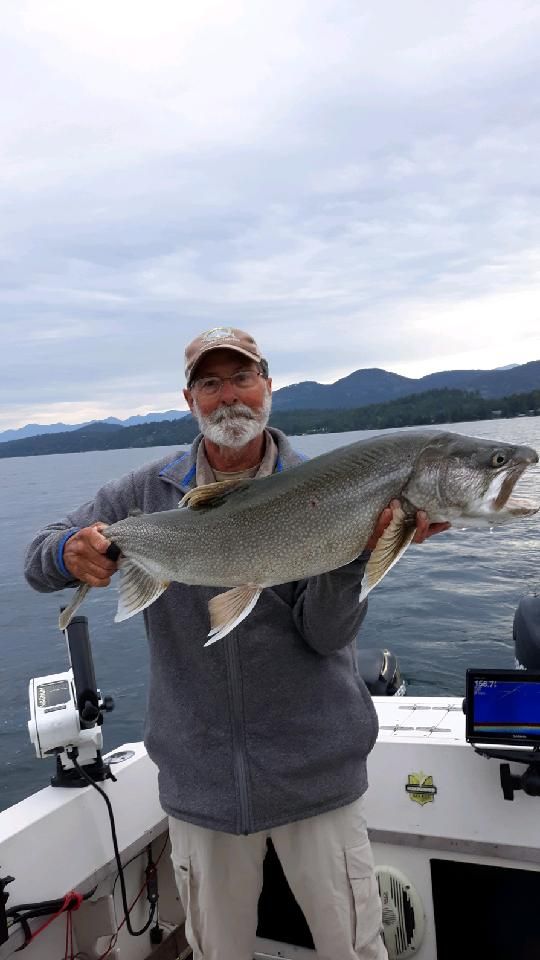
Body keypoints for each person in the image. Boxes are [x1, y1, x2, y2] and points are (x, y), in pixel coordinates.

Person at [24, 327, 449, 960]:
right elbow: (37, 560)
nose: (229, 397)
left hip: (317, 778)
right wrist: (68, 552)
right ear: (189, 399)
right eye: (210, 383)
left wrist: (358, 556)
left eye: (242, 378)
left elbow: (325, 635)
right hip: (203, 786)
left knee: (355, 949)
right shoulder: (142, 496)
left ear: (268, 385)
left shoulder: (330, 486)